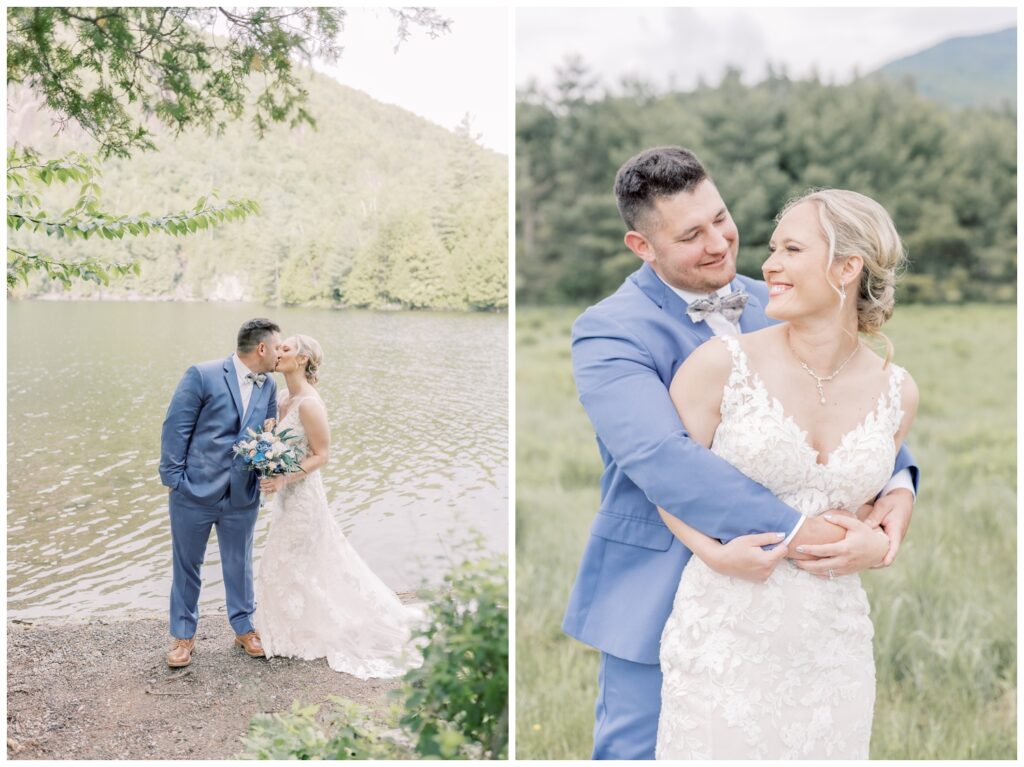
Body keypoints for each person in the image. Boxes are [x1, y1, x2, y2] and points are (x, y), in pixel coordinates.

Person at [564, 147, 919, 759]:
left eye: (721, 218)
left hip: (802, 609)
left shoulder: (780, 294)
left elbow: (855, 407)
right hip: (666, 578)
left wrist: (898, 489)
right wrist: (800, 531)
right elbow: (660, 456)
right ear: (641, 246)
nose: (720, 243)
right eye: (691, 235)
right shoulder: (610, 329)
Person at [656, 188, 917, 758]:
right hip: (725, 634)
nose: (768, 264)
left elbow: (874, 496)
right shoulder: (720, 366)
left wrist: (878, 542)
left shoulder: (899, 390)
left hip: (835, 645)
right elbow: (668, 483)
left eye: (791, 249)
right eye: (772, 248)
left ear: (847, 268)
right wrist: (716, 553)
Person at [253, 334, 422, 678]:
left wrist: (284, 478)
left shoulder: (310, 404)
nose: (277, 352)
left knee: (291, 556)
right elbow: (281, 443)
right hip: (286, 497)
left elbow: (322, 455)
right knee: (290, 559)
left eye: (285, 348)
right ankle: (292, 627)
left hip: (303, 498)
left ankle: (305, 632)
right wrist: (268, 448)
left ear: (301, 359)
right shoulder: (283, 396)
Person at [159, 318, 282, 668]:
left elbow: (268, 433)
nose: (279, 353)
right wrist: (175, 480)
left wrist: (268, 470)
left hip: (242, 494)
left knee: (239, 562)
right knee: (187, 564)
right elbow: (175, 428)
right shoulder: (202, 374)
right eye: (276, 347)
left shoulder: (268, 385)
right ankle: (183, 637)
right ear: (262, 348)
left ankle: (244, 628)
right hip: (193, 491)